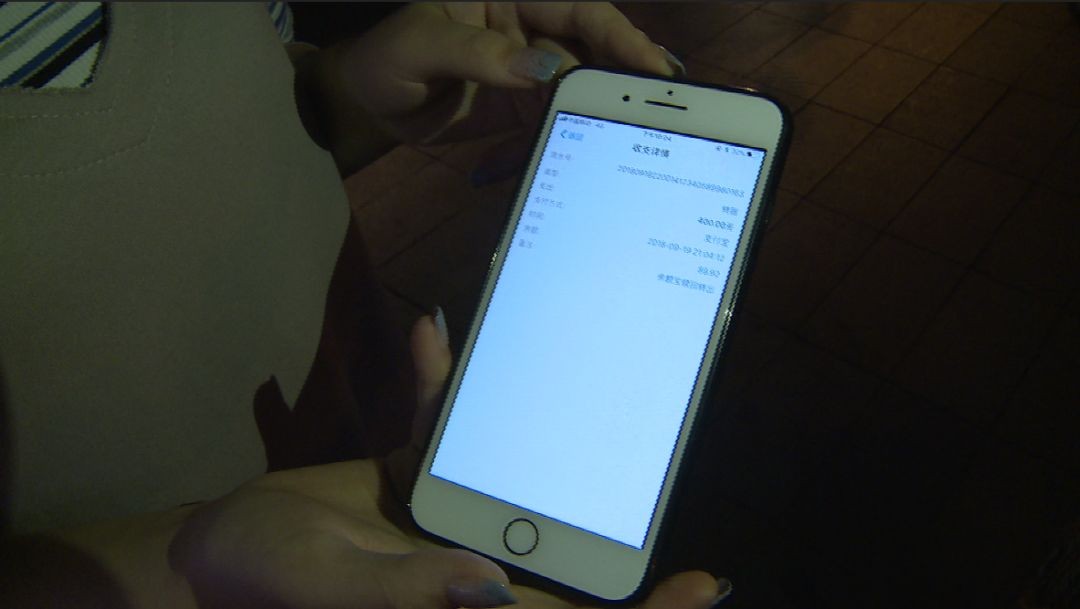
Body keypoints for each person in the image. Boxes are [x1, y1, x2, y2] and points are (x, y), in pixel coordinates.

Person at [0, 2, 727, 607]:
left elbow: (240, 111)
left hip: (382, 442)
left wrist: (340, 92)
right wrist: (174, 566)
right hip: (193, 547)